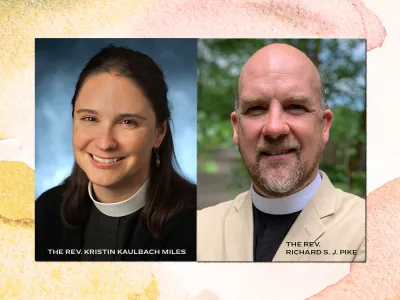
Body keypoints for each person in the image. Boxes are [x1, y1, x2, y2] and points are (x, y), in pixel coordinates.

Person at [197, 43, 365, 262]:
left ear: (324, 126)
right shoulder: (196, 230)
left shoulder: (369, 231)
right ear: (236, 128)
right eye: (256, 108)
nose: (274, 128)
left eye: (295, 106)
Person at [35, 45, 196, 262]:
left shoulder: (197, 223)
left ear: (159, 133)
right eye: (90, 119)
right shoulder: (45, 211)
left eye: (127, 122)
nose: (105, 143)